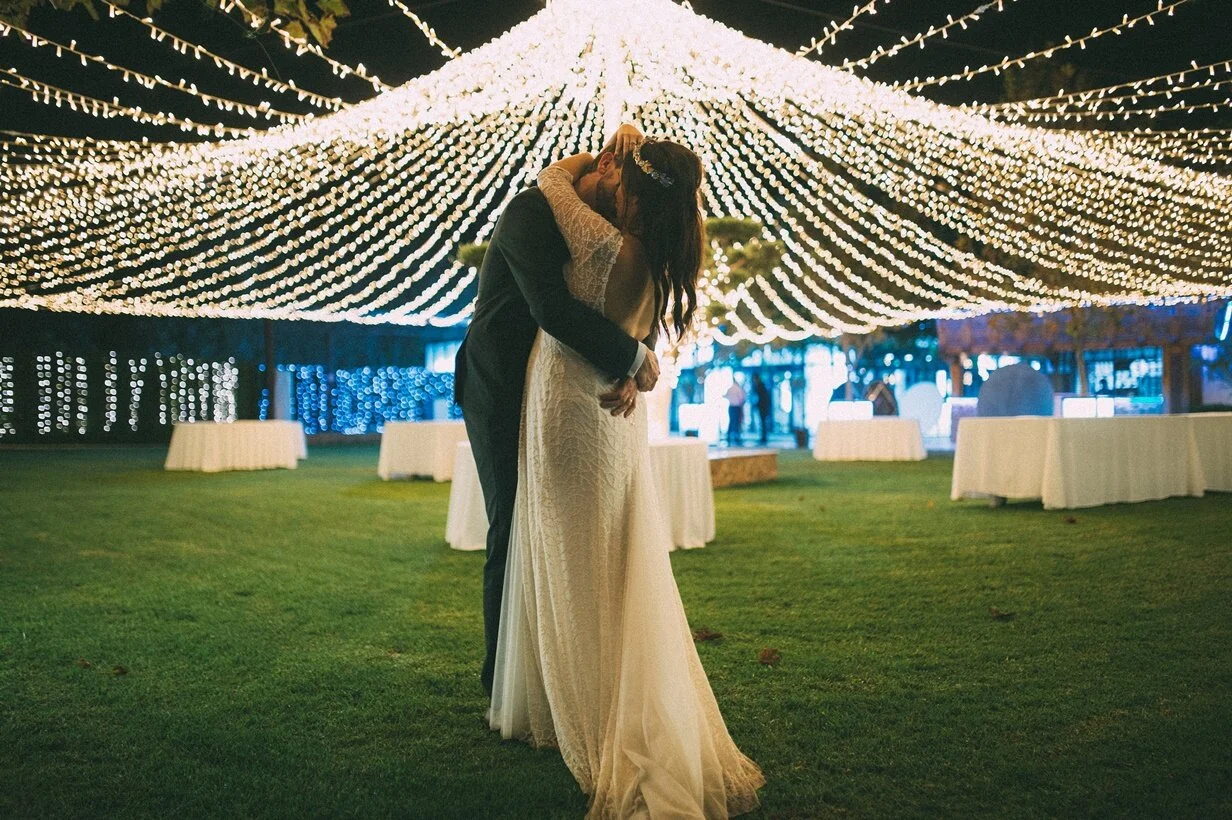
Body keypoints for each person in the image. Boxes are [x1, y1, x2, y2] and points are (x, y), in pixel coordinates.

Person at [488, 125, 765, 818]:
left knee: (569, 556)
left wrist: (593, 158)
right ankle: (579, 686)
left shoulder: (604, 241)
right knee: (609, 557)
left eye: (624, 183)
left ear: (632, 189)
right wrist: (636, 361)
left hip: (569, 408)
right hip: (611, 418)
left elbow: (552, 191)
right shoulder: (657, 260)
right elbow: (627, 331)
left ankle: (584, 708)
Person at [454, 131, 661, 697]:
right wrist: (632, 358)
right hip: (498, 382)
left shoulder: (592, 220)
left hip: (558, 384)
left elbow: (620, 299)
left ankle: (557, 664)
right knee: (511, 521)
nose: (623, 212)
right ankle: (502, 678)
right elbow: (551, 307)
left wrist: (633, 361)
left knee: (553, 525)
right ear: (606, 163)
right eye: (622, 194)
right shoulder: (530, 210)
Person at [725, 375, 746, 447]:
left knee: (731, 422)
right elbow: (742, 399)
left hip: (731, 407)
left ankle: (728, 437)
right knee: (737, 422)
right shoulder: (738, 389)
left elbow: (726, 396)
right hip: (737, 407)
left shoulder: (730, 389)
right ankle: (737, 437)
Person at [751, 372, 771, 446]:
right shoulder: (760, 385)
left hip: (763, 407)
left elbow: (762, 398)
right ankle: (763, 436)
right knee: (762, 422)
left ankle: (764, 437)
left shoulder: (760, 386)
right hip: (763, 406)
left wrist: (757, 404)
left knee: (763, 422)